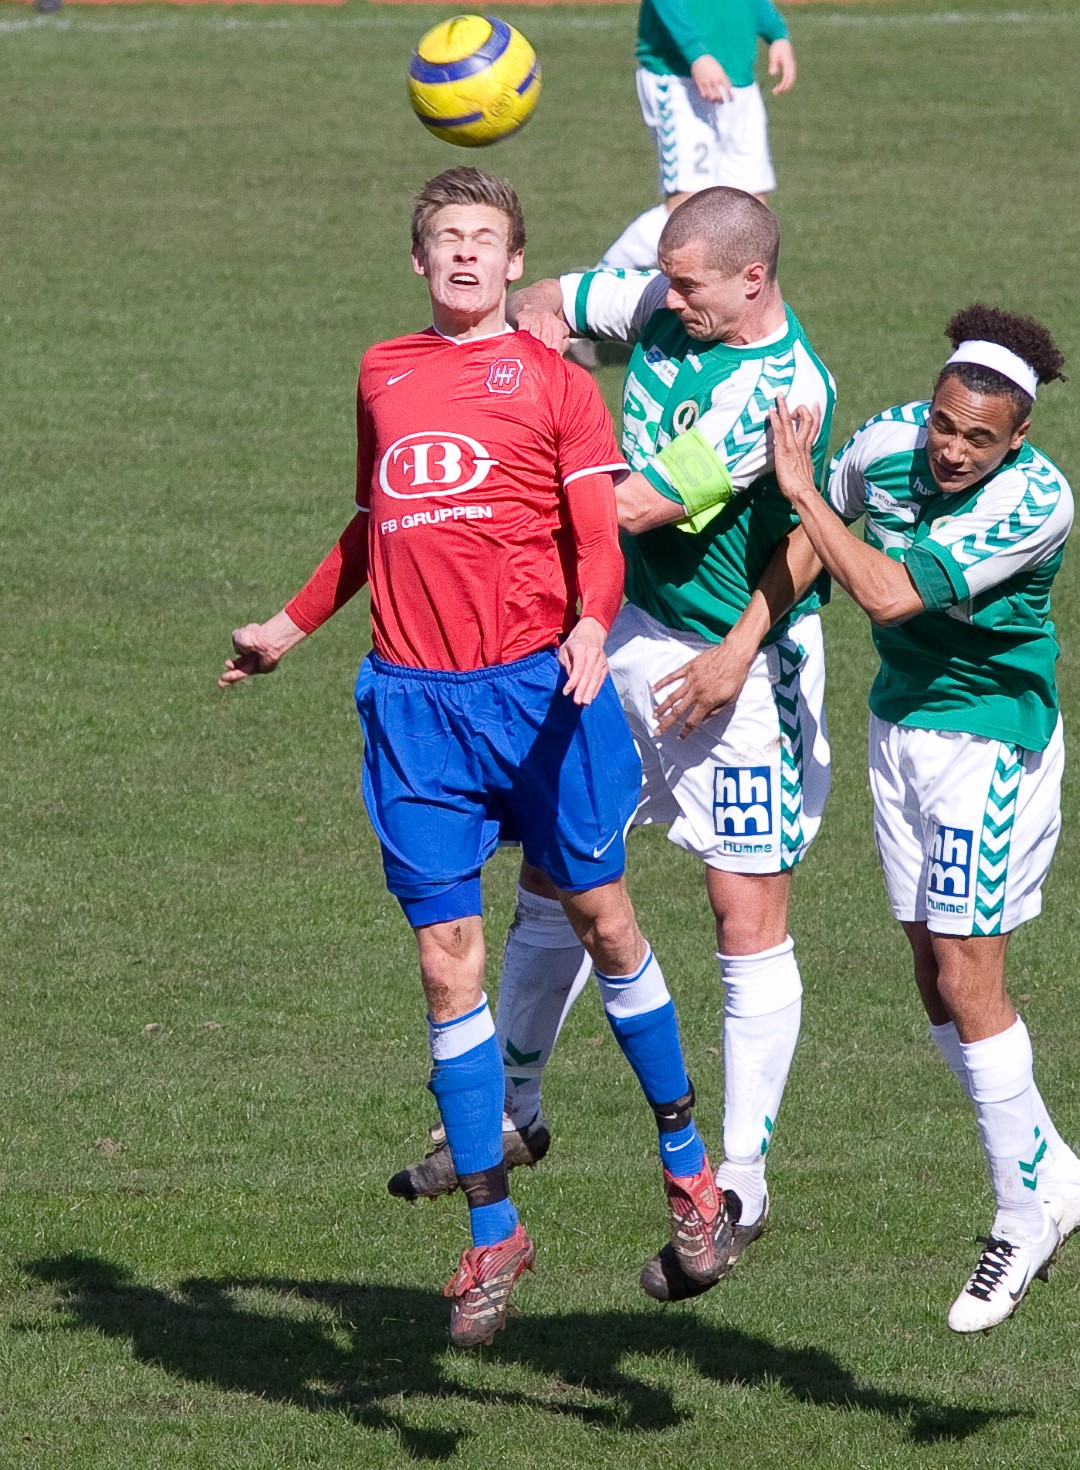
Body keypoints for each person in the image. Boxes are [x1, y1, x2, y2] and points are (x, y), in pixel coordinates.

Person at [219, 167, 728, 1348]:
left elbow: (597, 534)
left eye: (483, 237)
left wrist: (592, 624)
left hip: (542, 692)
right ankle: (494, 1232)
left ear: (513, 264)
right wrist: (289, 628)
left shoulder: (557, 383)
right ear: (419, 260)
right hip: (413, 707)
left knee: (605, 921)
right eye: (445, 236)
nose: (462, 252)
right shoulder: (381, 370)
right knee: (447, 966)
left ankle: (691, 1174)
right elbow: (375, 519)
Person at [390, 186, 836, 1302]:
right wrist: (540, 328)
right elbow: (549, 293)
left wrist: (496, 475)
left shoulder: (780, 389)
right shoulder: (663, 303)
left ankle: (738, 1187)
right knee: (557, 872)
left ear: (752, 280)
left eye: (689, 287)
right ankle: (513, 1109)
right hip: (620, 632)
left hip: (730, 666)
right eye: (664, 281)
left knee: (742, 911)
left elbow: (630, 507)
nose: (666, 302)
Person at [767, 303, 1080, 1333]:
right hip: (897, 728)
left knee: (966, 973)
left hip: (990, 744)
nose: (951, 450)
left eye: (978, 438)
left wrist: (804, 493)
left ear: (1018, 438)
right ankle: (1055, 1171)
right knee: (928, 972)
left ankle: (1021, 1216)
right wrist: (736, 646)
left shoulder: (1036, 500)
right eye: (945, 423)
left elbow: (889, 594)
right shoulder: (888, 441)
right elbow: (818, 542)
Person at [596, 0, 796, 277]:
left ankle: (735, 302)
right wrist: (696, 54)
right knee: (687, 210)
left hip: (739, 77)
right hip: (678, 78)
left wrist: (775, 32)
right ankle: (601, 278)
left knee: (751, 209)